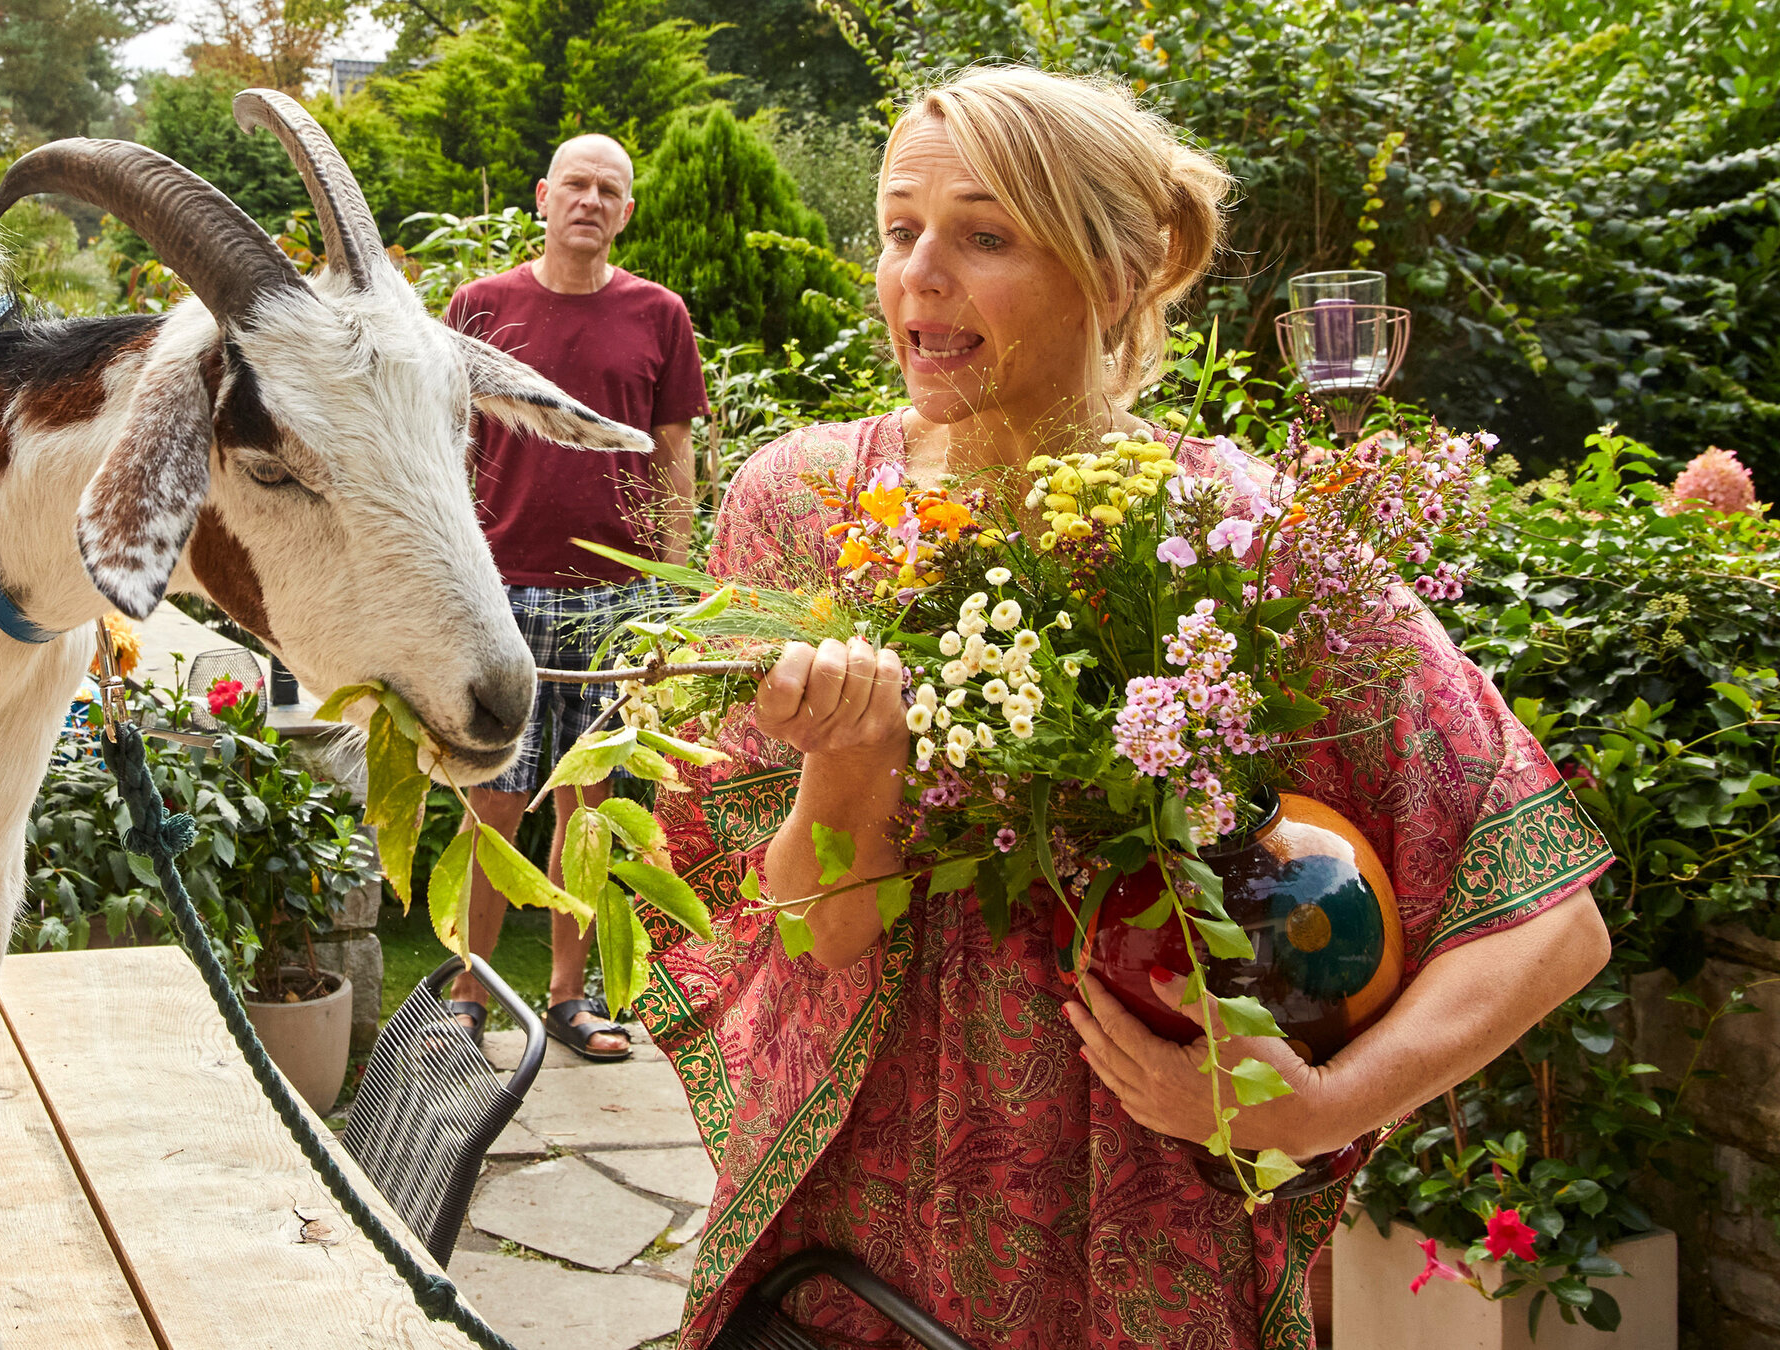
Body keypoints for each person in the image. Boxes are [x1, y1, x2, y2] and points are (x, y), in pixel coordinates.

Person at [632, 67, 1616, 1346]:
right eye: (898, 228)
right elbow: (814, 938)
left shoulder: (1232, 535)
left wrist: (1320, 1104)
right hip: (856, 1232)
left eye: (984, 235)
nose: (919, 274)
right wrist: (852, 767)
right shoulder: (804, 505)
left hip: (1143, 1234)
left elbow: (1551, 919)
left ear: (1112, 276)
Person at [443, 133, 710, 1061]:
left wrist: (673, 583)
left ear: (626, 211)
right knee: (495, 804)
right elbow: (446, 446)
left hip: (618, 601)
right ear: (544, 196)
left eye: (611, 190)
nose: (592, 202)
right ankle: (469, 992)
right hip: (499, 592)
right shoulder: (480, 307)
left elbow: (675, 455)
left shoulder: (658, 315)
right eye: (578, 186)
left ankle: (567, 997)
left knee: (587, 810)